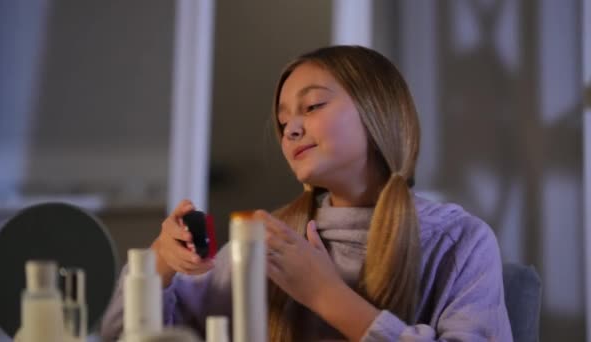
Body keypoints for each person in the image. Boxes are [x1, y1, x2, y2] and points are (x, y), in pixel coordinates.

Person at [101, 45, 513, 341]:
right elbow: (122, 336)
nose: (291, 130)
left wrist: (325, 294)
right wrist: (157, 266)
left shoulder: (459, 243)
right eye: (283, 123)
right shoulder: (271, 241)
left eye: (312, 106)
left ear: (378, 113)